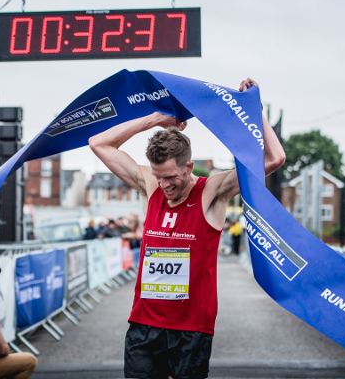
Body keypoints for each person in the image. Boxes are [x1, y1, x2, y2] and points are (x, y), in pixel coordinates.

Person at [89, 78, 285, 379]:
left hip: (190, 329)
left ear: (189, 167)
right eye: (159, 176)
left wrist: (253, 109)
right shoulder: (150, 185)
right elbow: (98, 143)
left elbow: (274, 158)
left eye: (171, 177)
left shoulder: (212, 193)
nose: (165, 185)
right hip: (144, 324)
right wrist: (153, 120)